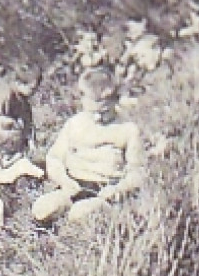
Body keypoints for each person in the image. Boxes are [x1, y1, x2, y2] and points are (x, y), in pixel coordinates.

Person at [33, 68, 145, 225]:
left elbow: (137, 171)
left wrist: (119, 190)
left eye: (105, 111)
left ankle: (83, 228)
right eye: (92, 112)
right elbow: (54, 158)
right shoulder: (75, 123)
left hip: (105, 190)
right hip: (73, 185)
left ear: (115, 100)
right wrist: (64, 180)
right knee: (43, 208)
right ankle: (46, 237)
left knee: (79, 214)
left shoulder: (127, 129)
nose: (98, 118)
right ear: (83, 101)